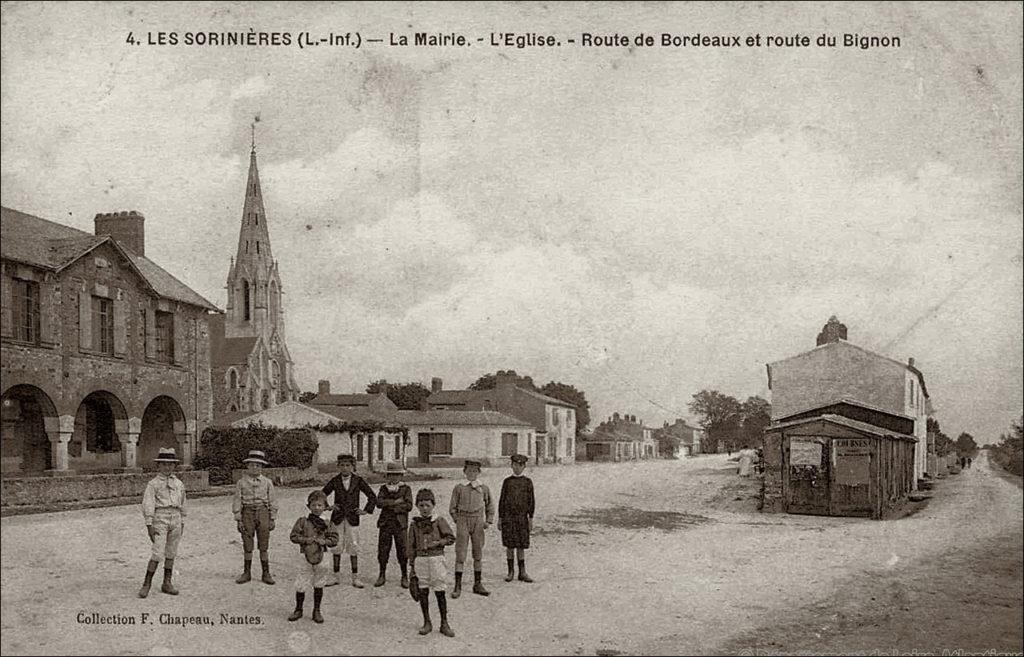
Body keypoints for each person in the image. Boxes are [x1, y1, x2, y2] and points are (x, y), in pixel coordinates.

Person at [322, 453, 377, 587]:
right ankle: (335, 576)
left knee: (353, 546)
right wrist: (328, 506)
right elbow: (322, 494)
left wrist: (365, 510)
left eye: (348, 465)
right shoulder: (335, 480)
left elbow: (372, 496)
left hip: (352, 518)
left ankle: (355, 577)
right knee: (336, 545)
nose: (345, 468)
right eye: (342, 465)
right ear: (338, 467)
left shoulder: (358, 480)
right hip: (337, 518)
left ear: (353, 467)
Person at [407, 488, 456, 637]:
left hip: (436, 560)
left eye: (427, 505)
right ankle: (427, 622)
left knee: (440, 590)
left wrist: (438, 542)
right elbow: (411, 547)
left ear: (433, 505)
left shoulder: (439, 521)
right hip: (421, 560)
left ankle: (444, 623)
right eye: (421, 505)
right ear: (417, 506)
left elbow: (450, 538)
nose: (424, 509)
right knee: (423, 591)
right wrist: (412, 566)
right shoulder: (414, 524)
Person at [139, 447, 187, 598]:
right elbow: (148, 504)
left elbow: (183, 503)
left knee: (171, 552)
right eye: (164, 464)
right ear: (158, 466)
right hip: (160, 517)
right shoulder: (153, 484)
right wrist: (149, 524)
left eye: (171, 464)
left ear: (174, 466)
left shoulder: (179, 484)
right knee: (157, 553)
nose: (168, 467)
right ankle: (146, 584)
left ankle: (167, 583)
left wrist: (182, 521)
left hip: (176, 517)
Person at [288, 490, 339, 624]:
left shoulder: (328, 523)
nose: (317, 508)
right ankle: (298, 609)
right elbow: (293, 536)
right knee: (301, 582)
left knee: (319, 582)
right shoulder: (303, 521)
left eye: (320, 505)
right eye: (314, 505)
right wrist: (305, 540)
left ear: (324, 507)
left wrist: (325, 542)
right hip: (305, 555)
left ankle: (316, 610)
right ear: (309, 506)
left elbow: (334, 539)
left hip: (323, 555)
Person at [232, 449, 278, 585]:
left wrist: (272, 518)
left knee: (263, 544)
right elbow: (237, 500)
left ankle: (266, 572)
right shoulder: (241, 483)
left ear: (262, 467)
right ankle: (247, 572)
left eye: (258, 465)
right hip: (247, 513)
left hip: (263, 512)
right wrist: (238, 518)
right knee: (247, 543)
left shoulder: (267, 482)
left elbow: (273, 501)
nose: (255, 467)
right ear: (247, 466)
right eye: (252, 465)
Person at [449, 459, 493, 598]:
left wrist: (488, 521)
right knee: (461, 552)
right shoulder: (459, 487)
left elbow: (490, 505)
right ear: (464, 472)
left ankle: (477, 583)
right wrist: (458, 520)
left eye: (475, 471)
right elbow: (452, 507)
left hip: (478, 520)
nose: (471, 473)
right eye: (469, 471)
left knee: (478, 552)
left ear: (479, 472)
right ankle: (458, 585)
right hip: (463, 519)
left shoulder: (483, 488)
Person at [375, 461, 414, 588]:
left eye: (397, 475)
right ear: (387, 476)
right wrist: (396, 502)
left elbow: (408, 506)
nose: (394, 477)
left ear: (401, 476)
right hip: (385, 524)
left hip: (400, 524)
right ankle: (382, 574)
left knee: (402, 550)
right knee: (383, 550)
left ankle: (404, 575)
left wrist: (392, 506)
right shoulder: (383, 488)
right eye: (391, 475)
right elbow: (379, 503)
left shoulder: (406, 489)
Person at [498, 453, 535, 583]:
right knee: (509, 545)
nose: (517, 468)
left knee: (521, 545)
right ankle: (510, 572)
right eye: (514, 465)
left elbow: (531, 501)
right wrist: (500, 518)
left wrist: (530, 518)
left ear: (524, 466)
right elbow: (502, 501)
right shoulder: (507, 482)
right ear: (511, 465)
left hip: (522, 518)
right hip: (508, 518)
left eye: (520, 465)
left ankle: (522, 572)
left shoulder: (527, 482)